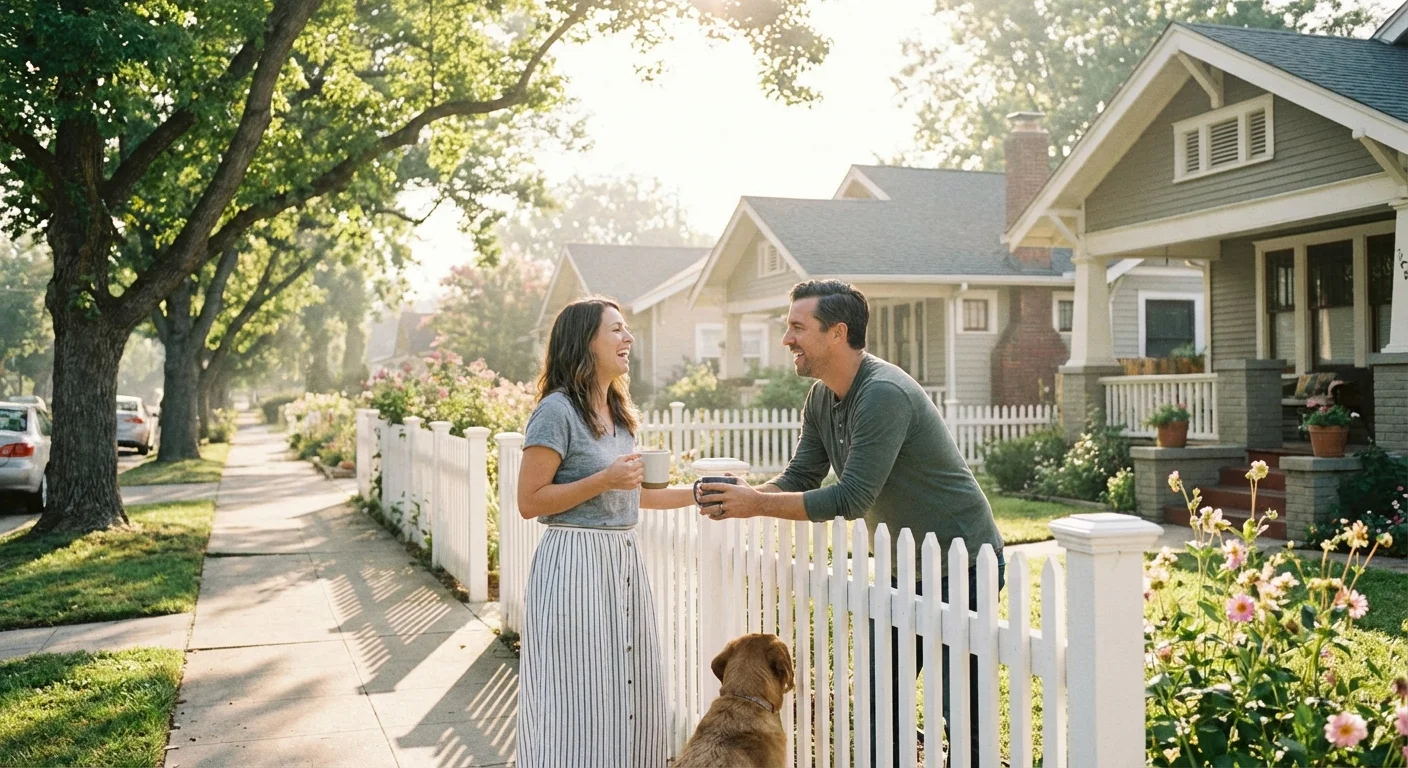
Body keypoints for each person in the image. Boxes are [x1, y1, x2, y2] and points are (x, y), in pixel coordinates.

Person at [697, 279, 1006, 767]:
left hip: (961, 560)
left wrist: (755, 503)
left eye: (798, 328)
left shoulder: (883, 394)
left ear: (837, 333)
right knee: (884, 694)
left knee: (960, 706)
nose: (787, 340)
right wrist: (743, 497)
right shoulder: (822, 398)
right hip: (905, 565)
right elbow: (802, 476)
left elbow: (852, 497)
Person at [514, 296, 696, 768]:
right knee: (580, 696)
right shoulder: (556, 412)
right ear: (585, 343)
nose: (628, 338)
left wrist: (699, 495)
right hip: (574, 561)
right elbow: (529, 501)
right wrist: (604, 478)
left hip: (621, 559)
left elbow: (635, 496)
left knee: (629, 685)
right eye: (616, 329)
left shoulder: (618, 413)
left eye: (626, 329)